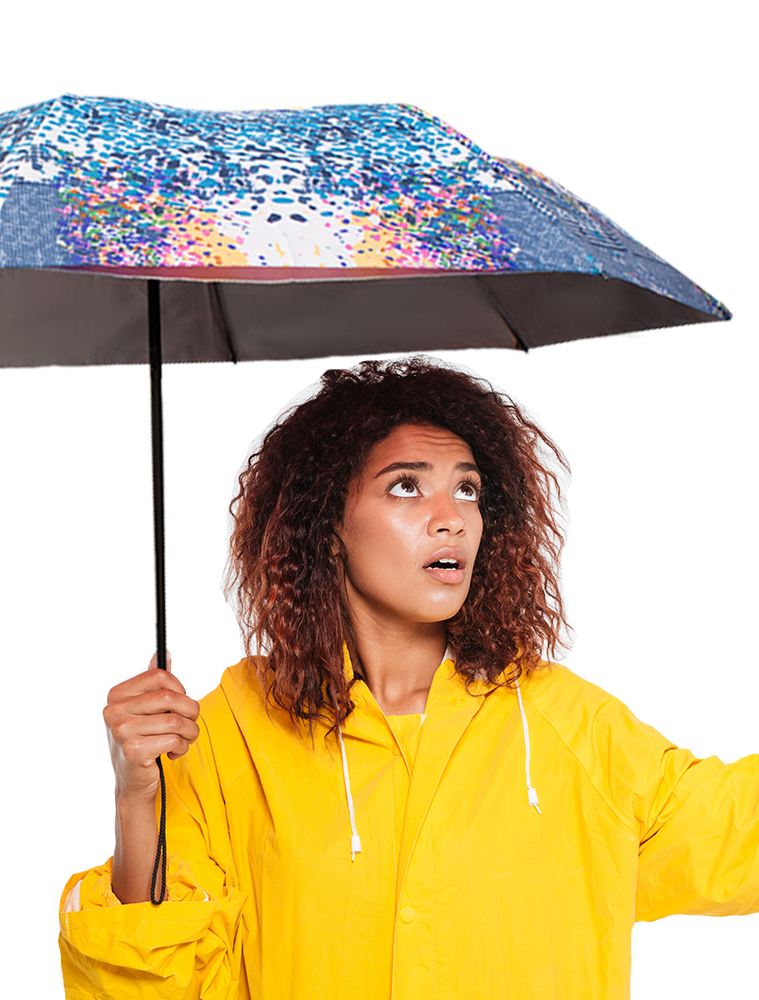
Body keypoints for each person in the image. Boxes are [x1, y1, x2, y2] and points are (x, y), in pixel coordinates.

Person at [58, 357, 758, 1000]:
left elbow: (730, 834)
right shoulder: (235, 733)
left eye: (468, 489)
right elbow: (152, 987)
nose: (449, 518)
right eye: (406, 487)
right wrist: (137, 799)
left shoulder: (564, 726)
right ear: (328, 522)